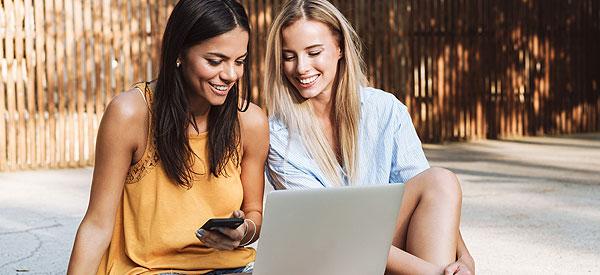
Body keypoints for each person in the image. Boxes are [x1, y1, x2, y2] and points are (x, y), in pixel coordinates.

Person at [263, 0, 474, 274]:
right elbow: (332, 232)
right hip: (329, 258)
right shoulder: (279, 136)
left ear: (339, 48)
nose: (301, 67)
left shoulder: (385, 110)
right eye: (289, 57)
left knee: (440, 179)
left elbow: (432, 198)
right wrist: (434, 273)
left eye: (314, 52)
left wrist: (465, 258)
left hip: (389, 251)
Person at [67, 0, 269, 274]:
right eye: (215, 61)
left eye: (240, 61)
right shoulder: (130, 114)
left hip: (231, 267)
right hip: (150, 269)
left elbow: (254, 213)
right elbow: (96, 225)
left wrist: (242, 232)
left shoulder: (250, 121)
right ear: (179, 53)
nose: (230, 74)